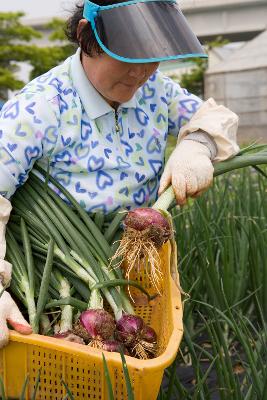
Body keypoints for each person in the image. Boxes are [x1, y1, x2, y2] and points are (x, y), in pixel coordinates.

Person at [0, 0, 239, 347]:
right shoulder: (40, 108)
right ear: (86, 37)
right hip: (58, 280)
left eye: (151, 56)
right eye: (128, 56)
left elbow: (211, 116)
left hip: (138, 271)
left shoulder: (154, 91)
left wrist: (198, 144)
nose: (140, 73)